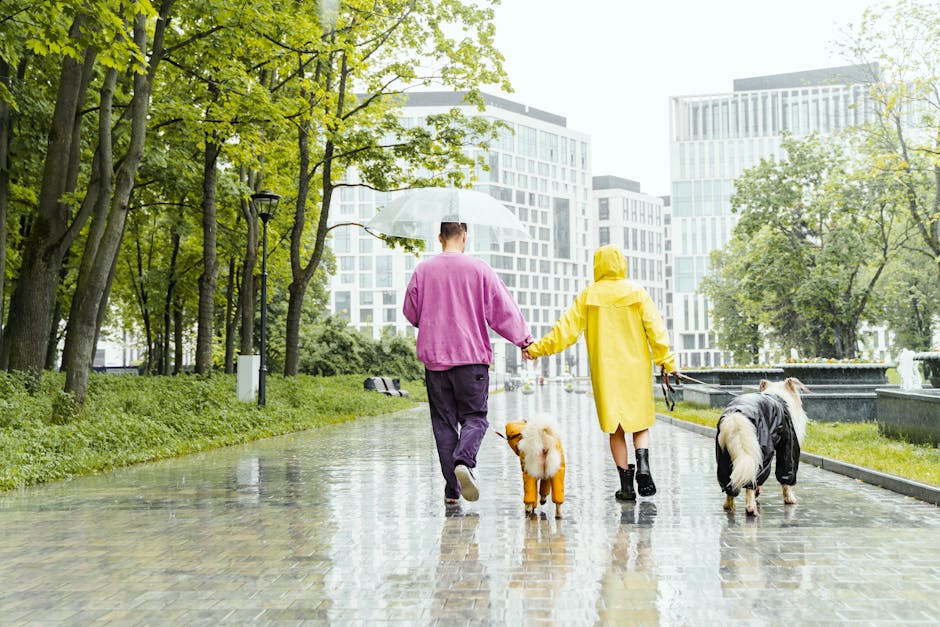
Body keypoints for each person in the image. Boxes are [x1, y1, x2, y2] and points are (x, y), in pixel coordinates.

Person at [523, 245, 678, 500]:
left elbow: (565, 331)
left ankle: (626, 487)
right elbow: (656, 331)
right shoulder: (637, 293)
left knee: (616, 430)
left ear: (598, 265)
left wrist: (537, 349)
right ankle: (644, 467)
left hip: (606, 372)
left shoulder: (589, 296)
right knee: (639, 424)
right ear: (621, 263)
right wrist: (668, 363)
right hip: (636, 369)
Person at [403, 222, 533, 505]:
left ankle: (452, 489)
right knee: (475, 418)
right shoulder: (480, 270)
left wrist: (429, 319)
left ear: (439, 237)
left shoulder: (422, 271)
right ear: (464, 236)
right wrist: (524, 340)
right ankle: (464, 460)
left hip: (436, 361)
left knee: (443, 424)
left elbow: (411, 312)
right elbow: (503, 311)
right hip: (471, 360)